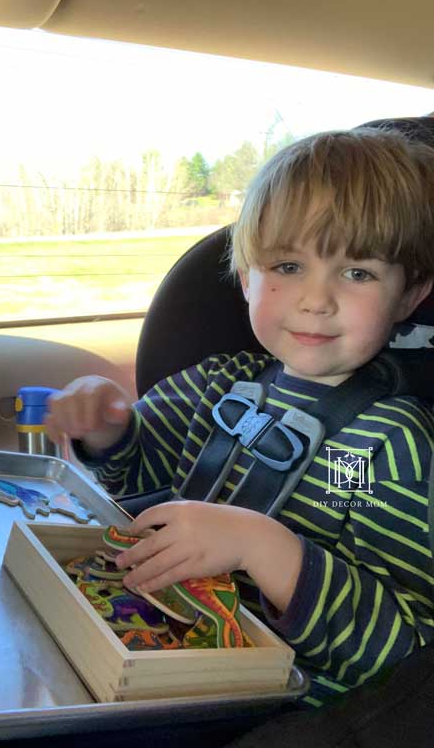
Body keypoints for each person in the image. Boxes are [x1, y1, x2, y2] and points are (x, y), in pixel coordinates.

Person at [45, 128, 434, 710]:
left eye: (358, 273)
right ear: (247, 274)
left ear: (408, 296)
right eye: (288, 265)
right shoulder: (219, 383)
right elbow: (134, 478)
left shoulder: (388, 447)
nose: (316, 300)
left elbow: (408, 656)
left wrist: (266, 549)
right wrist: (107, 426)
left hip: (274, 711)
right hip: (147, 649)